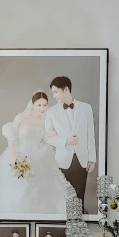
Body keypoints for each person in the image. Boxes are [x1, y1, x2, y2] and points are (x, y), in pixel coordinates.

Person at [0, 91, 75, 217]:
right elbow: (11, 138)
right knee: (16, 188)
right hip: (19, 155)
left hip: (38, 157)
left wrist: (58, 135)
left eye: (45, 105)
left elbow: (49, 139)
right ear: (32, 105)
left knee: (41, 188)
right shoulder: (21, 117)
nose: (42, 108)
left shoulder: (46, 121)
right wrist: (15, 158)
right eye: (39, 105)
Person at [44, 76, 96, 206]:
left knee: (79, 196)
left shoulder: (86, 108)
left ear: (66, 89)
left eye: (56, 92)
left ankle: (78, 223)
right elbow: (47, 137)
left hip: (82, 159)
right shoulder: (51, 111)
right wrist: (66, 141)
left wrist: (92, 159)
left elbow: (91, 135)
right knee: (64, 198)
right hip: (62, 160)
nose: (54, 96)